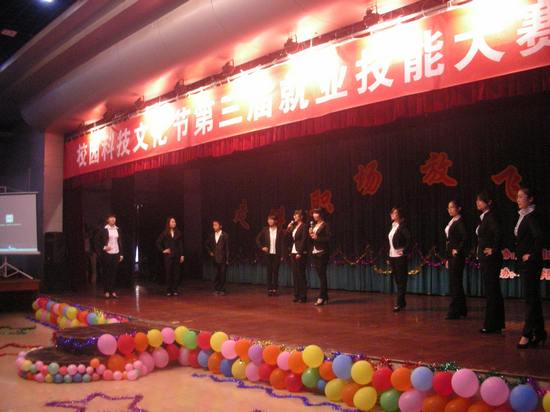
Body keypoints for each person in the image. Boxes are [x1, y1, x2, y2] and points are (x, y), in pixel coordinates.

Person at [514, 187, 546, 349]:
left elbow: (539, 237)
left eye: (521, 196)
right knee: (533, 299)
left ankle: (526, 334)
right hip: (526, 264)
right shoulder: (524, 216)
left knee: (530, 299)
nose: (518, 199)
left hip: (531, 264)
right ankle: (539, 333)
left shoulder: (532, 216)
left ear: (530, 199)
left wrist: (531, 255)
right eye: (517, 197)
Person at [475, 192, 505, 333]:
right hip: (487, 259)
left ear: (489, 202)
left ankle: (491, 325)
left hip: (491, 260)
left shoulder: (490, 216)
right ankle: (496, 324)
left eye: (481, 200)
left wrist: (493, 249)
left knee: (492, 291)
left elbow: (499, 232)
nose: (478, 203)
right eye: (477, 200)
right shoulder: (485, 217)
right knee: (493, 291)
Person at [444, 200, 468, 319]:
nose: (450, 210)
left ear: (459, 208)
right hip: (451, 256)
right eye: (448, 208)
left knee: (455, 283)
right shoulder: (452, 221)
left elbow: (465, 237)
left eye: (452, 207)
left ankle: (454, 311)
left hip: (457, 257)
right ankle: (462, 309)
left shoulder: (459, 222)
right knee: (456, 283)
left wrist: (457, 250)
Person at [388, 207, 412, 312]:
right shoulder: (393, 226)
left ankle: (399, 303)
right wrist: (389, 256)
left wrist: (404, 251)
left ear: (399, 215)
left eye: (395, 213)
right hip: (392, 256)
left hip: (400, 257)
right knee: (397, 280)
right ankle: (402, 302)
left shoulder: (402, 226)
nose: (392, 214)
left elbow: (409, 239)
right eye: (392, 213)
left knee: (401, 280)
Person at [95, 213, 123, 299]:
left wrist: (121, 254)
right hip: (107, 253)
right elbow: (96, 241)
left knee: (114, 273)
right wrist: (104, 247)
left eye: (114, 218)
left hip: (116, 252)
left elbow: (120, 242)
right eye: (111, 218)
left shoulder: (118, 229)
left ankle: (113, 291)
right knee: (107, 272)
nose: (113, 219)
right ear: (107, 220)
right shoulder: (103, 229)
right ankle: (106, 291)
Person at [256, 214, 285, 296]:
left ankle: (275, 289)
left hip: (277, 254)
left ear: (275, 221)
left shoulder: (279, 230)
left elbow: (282, 243)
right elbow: (257, 239)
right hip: (268, 254)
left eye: (271, 219)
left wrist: (282, 255)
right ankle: (269, 289)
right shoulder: (265, 229)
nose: (270, 221)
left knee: (275, 271)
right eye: (269, 220)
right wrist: (262, 247)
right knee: (269, 271)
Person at [156, 217, 185, 297]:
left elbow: (180, 245)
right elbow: (158, 242)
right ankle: (168, 290)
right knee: (168, 273)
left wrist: (182, 255)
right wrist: (163, 250)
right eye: (172, 222)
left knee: (176, 273)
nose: (174, 223)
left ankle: (175, 290)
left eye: (174, 222)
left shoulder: (178, 232)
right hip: (168, 256)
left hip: (177, 255)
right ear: (169, 223)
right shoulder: (165, 232)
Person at [309, 208, 331, 306]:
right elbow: (312, 239)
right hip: (315, 252)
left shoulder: (325, 225)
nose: (314, 215)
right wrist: (310, 234)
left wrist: (318, 237)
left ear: (321, 214)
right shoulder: (314, 225)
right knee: (320, 275)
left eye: (316, 213)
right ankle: (325, 297)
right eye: (313, 213)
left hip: (322, 252)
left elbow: (329, 238)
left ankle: (321, 297)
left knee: (322, 275)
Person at [287, 210, 309, 303]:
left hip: (300, 252)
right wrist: (288, 229)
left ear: (301, 216)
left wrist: (300, 252)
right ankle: (296, 294)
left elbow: (304, 239)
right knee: (295, 274)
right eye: (294, 214)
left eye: (297, 215)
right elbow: (289, 238)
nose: (294, 216)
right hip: (293, 251)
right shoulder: (294, 226)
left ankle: (303, 296)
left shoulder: (304, 226)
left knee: (301, 274)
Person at [205, 220, 229, 295]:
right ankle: (216, 289)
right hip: (215, 258)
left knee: (222, 274)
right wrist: (210, 252)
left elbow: (227, 248)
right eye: (213, 225)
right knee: (216, 274)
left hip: (223, 258)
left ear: (220, 226)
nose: (214, 227)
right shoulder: (212, 235)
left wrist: (227, 259)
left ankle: (222, 289)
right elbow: (206, 244)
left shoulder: (225, 235)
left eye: (216, 225)